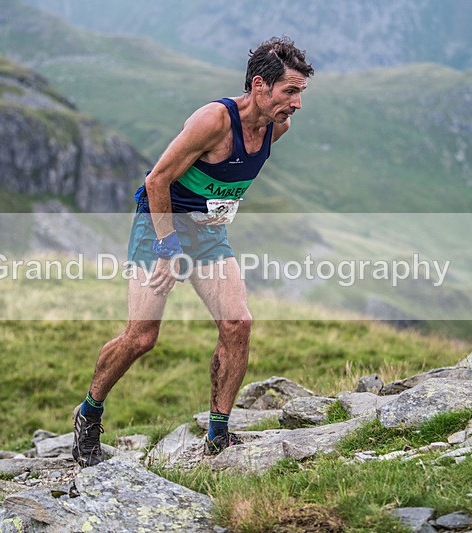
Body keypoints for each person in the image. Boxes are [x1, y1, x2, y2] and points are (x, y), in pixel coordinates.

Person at [72, 36, 314, 467]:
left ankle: (218, 435)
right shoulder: (213, 122)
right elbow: (157, 181)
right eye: (289, 91)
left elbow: (226, 182)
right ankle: (89, 414)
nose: (296, 103)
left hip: (208, 234)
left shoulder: (279, 127)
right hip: (160, 228)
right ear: (260, 86)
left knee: (237, 324)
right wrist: (168, 250)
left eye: (300, 93)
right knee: (141, 338)